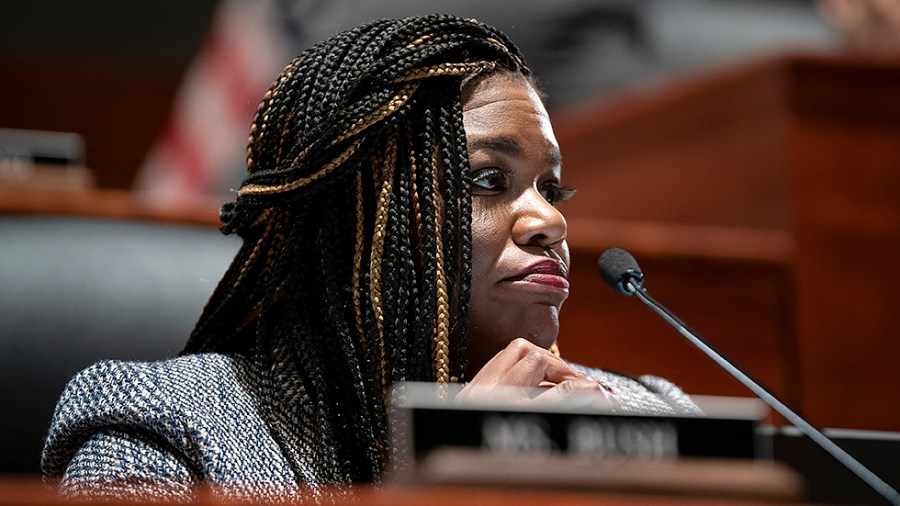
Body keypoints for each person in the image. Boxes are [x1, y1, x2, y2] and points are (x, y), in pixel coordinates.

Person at [42, 14, 698, 502]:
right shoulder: (166, 431)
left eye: (551, 189)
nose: (550, 220)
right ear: (349, 215)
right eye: (489, 181)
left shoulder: (653, 416)